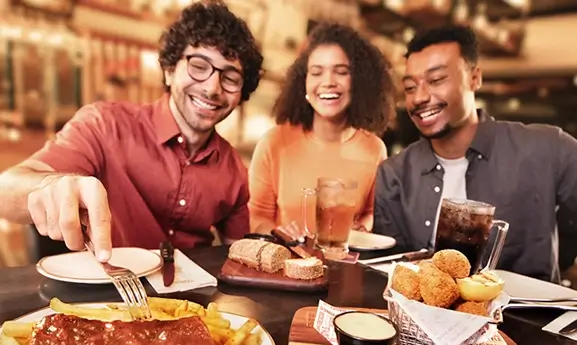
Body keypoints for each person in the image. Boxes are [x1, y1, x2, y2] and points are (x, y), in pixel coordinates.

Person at [0, 1, 263, 263]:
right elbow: (6, 191)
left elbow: (236, 258)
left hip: (190, 301)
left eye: (230, 78)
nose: (212, 88)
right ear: (169, 70)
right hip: (104, 295)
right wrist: (50, 187)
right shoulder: (105, 124)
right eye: (198, 66)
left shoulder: (235, 173)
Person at [374, 25, 577, 281]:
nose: (420, 97)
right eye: (411, 87)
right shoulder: (394, 173)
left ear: (474, 78)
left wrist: (558, 259)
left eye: (436, 80)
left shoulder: (546, 147)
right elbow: (393, 267)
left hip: (523, 317)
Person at [248, 22, 395, 235]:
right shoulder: (275, 142)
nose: (328, 82)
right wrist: (281, 236)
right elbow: (257, 218)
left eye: (341, 72)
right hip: (287, 263)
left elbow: (370, 213)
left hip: (344, 264)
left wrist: (362, 227)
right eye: (316, 72)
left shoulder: (375, 149)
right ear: (304, 83)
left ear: (359, 81)